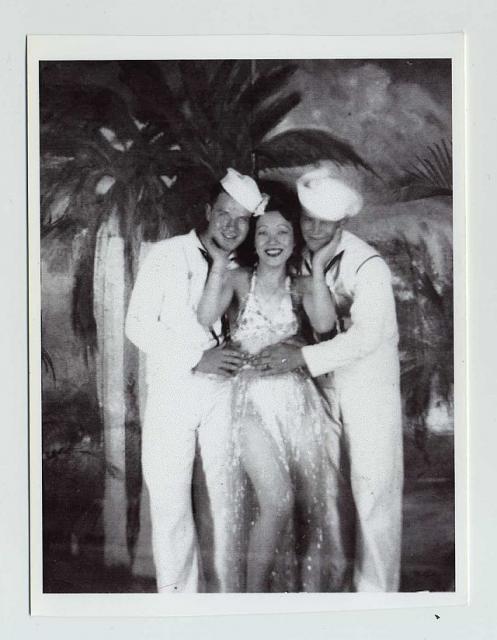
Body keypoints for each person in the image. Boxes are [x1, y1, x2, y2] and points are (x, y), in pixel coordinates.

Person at [253, 167, 403, 592]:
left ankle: (377, 597)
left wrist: (300, 357)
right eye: (308, 220)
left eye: (326, 223)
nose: (315, 230)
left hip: (368, 392)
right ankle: (332, 591)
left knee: (373, 495)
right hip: (321, 392)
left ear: (343, 223)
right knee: (329, 498)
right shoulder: (300, 256)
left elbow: (367, 337)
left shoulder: (368, 264)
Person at [196, 181, 348, 593]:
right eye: (263, 231)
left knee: (304, 503)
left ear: (295, 238)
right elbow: (205, 316)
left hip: (297, 403)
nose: (272, 240)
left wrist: (318, 266)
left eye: (283, 232)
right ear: (253, 238)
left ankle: (285, 592)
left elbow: (323, 324)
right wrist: (219, 262)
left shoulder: (302, 286)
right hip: (248, 403)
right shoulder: (238, 279)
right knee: (277, 500)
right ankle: (252, 597)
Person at [125, 168, 267, 593]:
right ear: (208, 211)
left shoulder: (247, 267)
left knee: (227, 500)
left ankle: (227, 601)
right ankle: (178, 605)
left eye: (242, 220)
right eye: (224, 214)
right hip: (173, 392)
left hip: (224, 392)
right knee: (171, 505)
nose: (231, 226)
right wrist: (197, 358)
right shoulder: (167, 255)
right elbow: (137, 325)